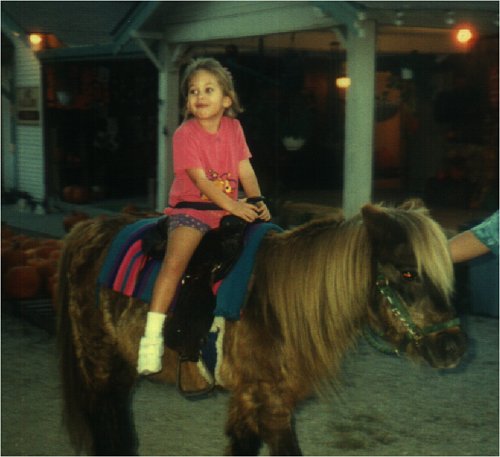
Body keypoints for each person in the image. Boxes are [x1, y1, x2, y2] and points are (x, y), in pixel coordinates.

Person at [137, 57, 271, 375]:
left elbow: (244, 168)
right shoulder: (186, 134)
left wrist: (257, 200)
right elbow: (200, 180)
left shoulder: (234, 128)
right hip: (193, 209)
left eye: (208, 89)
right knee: (175, 263)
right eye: (193, 91)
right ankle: (151, 337)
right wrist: (234, 205)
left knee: (267, 247)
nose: (199, 96)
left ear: (227, 99)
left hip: (229, 206)